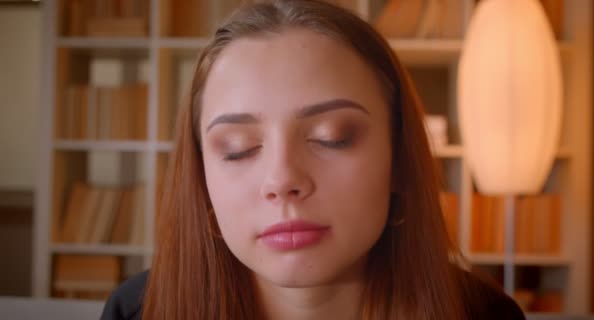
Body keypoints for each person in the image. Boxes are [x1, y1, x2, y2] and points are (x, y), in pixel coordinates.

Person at [101, 1, 525, 319]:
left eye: (333, 138)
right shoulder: (139, 312)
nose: (283, 179)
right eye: (239, 147)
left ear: (398, 160)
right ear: (202, 177)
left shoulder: (483, 315)